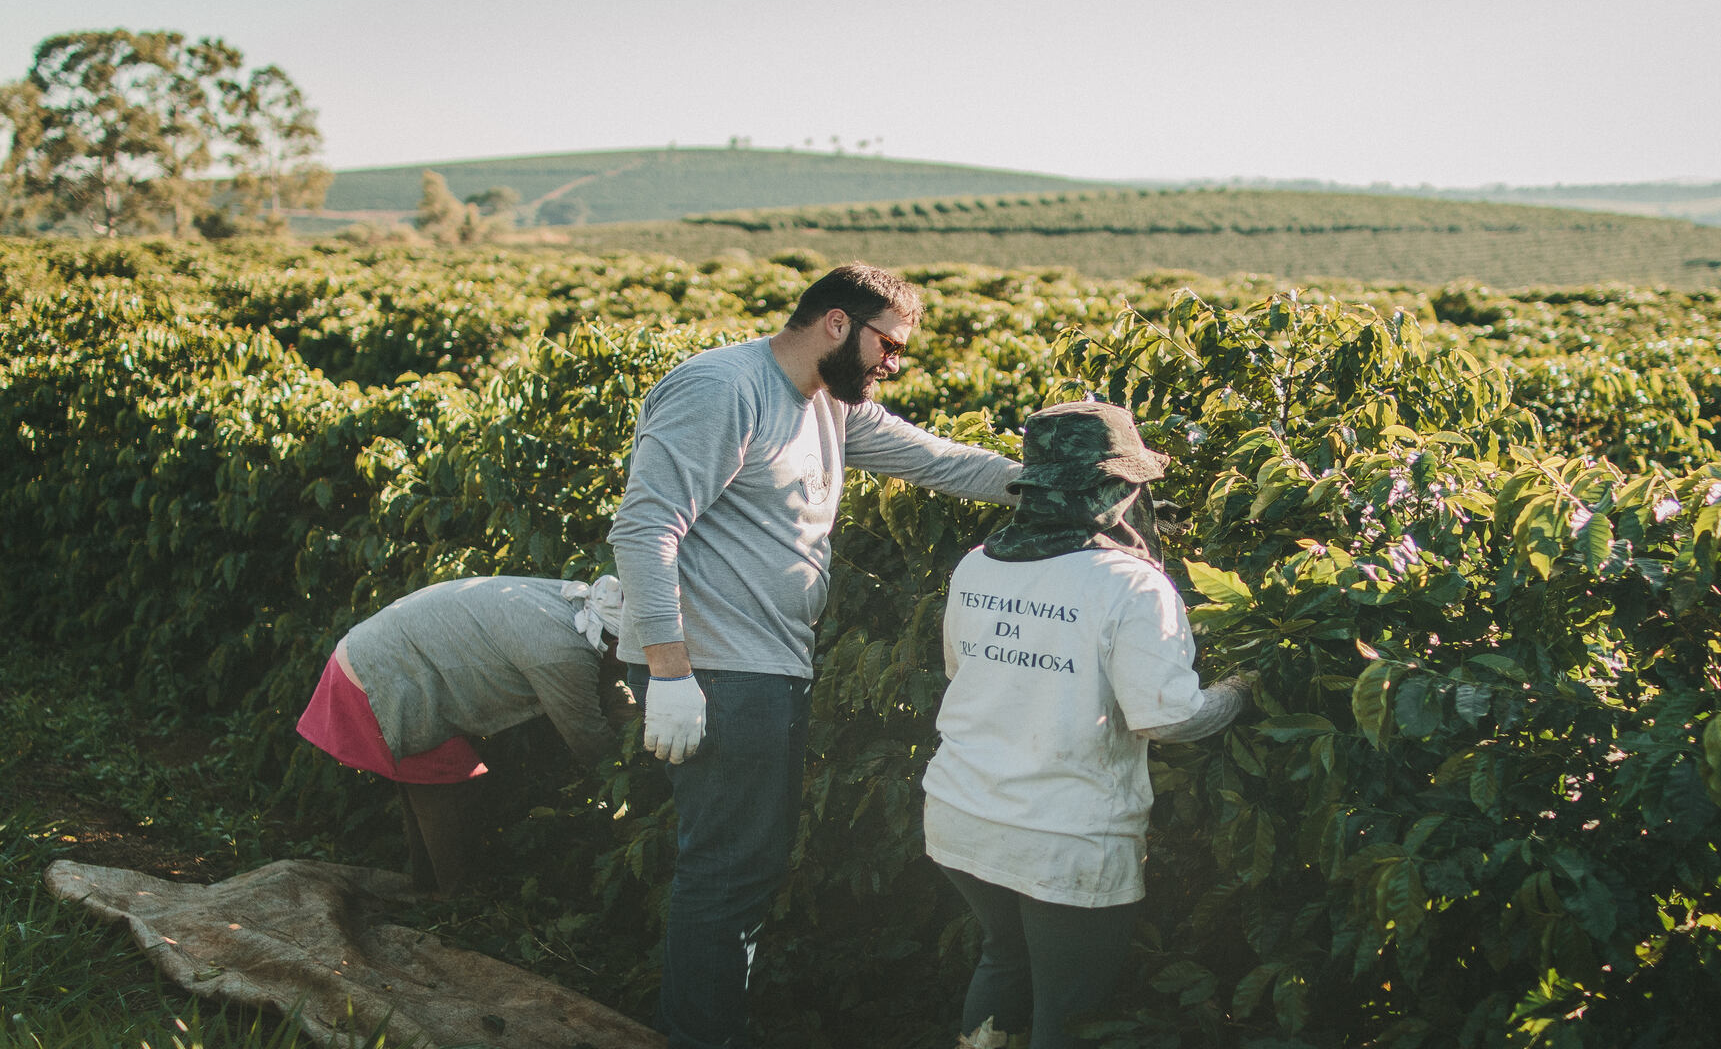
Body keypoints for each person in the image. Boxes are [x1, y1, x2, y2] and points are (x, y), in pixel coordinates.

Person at [608, 263, 1023, 1048]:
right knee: (729, 871)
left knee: (744, 867)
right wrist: (670, 670)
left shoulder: (827, 405)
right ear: (837, 323)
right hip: (718, 670)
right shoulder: (723, 388)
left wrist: (1058, 484)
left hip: (763, 666)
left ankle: (701, 1029)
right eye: (888, 344)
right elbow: (643, 528)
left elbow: (935, 459)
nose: (893, 362)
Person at [921, 400, 1248, 1049]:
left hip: (962, 811)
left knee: (1004, 960)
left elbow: (962, 671)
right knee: (1070, 1012)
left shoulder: (977, 565)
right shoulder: (1130, 586)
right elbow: (1169, 715)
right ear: (1113, 487)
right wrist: (1241, 691)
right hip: (1066, 835)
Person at [296, 574, 631, 896]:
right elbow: (588, 739)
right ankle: (458, 901)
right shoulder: (564, 651)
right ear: (616, 641)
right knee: (446, 783)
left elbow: (607, 682)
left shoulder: (579, 609)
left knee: (429, 779)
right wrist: (636, 776)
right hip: (380, 674)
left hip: (375, 656)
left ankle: (429, 888)